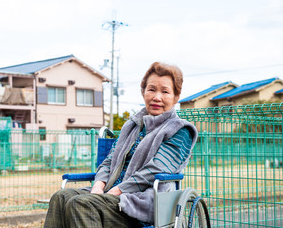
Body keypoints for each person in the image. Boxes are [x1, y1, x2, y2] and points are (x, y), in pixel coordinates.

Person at [44, 61, 198, 228]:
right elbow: (110, 161)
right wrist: (98, 187)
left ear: (176, 97)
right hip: (110, 196)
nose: (157, 97)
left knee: (81, 204)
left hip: (141, 203)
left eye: (165, 91)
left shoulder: (181, 130)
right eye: (151, 89)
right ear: (143, 92)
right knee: (61, 196)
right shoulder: (132, 125)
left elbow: (156, 170)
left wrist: (116, 191)